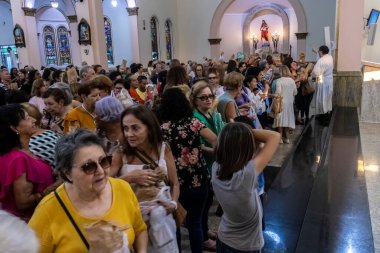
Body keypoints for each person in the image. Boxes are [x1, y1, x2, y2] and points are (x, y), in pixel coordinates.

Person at [29, 129, 148, 252]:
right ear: (68, 173)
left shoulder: (122, 188)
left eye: (103, 161)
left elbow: (139, 229)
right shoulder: (48, 211)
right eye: (89, 167)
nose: (101, 171)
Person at [111, 104, 180, 252]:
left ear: (149, 128)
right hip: (134, 223)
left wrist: (173, 204)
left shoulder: (162, 149)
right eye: (125, 128)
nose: (129, 134)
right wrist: (129, 178)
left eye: (135, 128)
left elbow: (174, 183)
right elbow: (105, 185)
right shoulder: (120, 153)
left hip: (162, 222)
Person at [158, 87, 218, 252]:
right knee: (196, 223)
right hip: (198, 178)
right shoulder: (193, 123)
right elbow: (215, 140)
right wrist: (205, 151)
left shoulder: (162, 128)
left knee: (176, 222)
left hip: (175, 182)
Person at [212, 123, 280, 253]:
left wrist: (232, 133)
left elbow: (245, 160)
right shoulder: (246, 174)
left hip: (224, 238)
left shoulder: (216, 167)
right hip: (244, 247)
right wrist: (245, 131)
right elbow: (274, 136)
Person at [0, 104, 54, 221]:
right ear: (14, 128)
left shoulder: (23, 154)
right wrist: (53, 187)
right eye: (27, 118)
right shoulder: (18, 159)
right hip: (31, 224)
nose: (34, 120)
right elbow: (23, 203)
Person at [190, 81, 225, 248]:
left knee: (208, 200)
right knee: (203, 204)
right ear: (195, 100)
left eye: (210, 96)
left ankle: (204, 231)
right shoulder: (195, 118)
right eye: (203, 97)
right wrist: (221, 153)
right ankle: (203, 238)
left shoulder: (211, 113)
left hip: (213, 163)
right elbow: (200, 147)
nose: (208, 100)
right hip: (204, 165)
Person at [272, 66, 298, 144]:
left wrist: (273, 95)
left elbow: (278, 92)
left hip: (281, 102)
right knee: (287, 119)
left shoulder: (279, 81)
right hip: (289, 102)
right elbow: (295, 92)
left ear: (280, 71)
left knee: (280, 119)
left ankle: (280, 138)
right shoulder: (292, 81)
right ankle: (286, 138)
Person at [309, 45, 334, 124]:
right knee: (327, 99)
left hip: (322, 82)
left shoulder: (321, 61)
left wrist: (310, 78)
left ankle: (323, 119)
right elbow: (320, 61)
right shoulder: (330, 57)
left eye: (319, 51)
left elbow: (316, 73)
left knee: (321, 100)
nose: (318, 53)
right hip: (329, 81)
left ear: (321, 52)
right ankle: (326, 116)